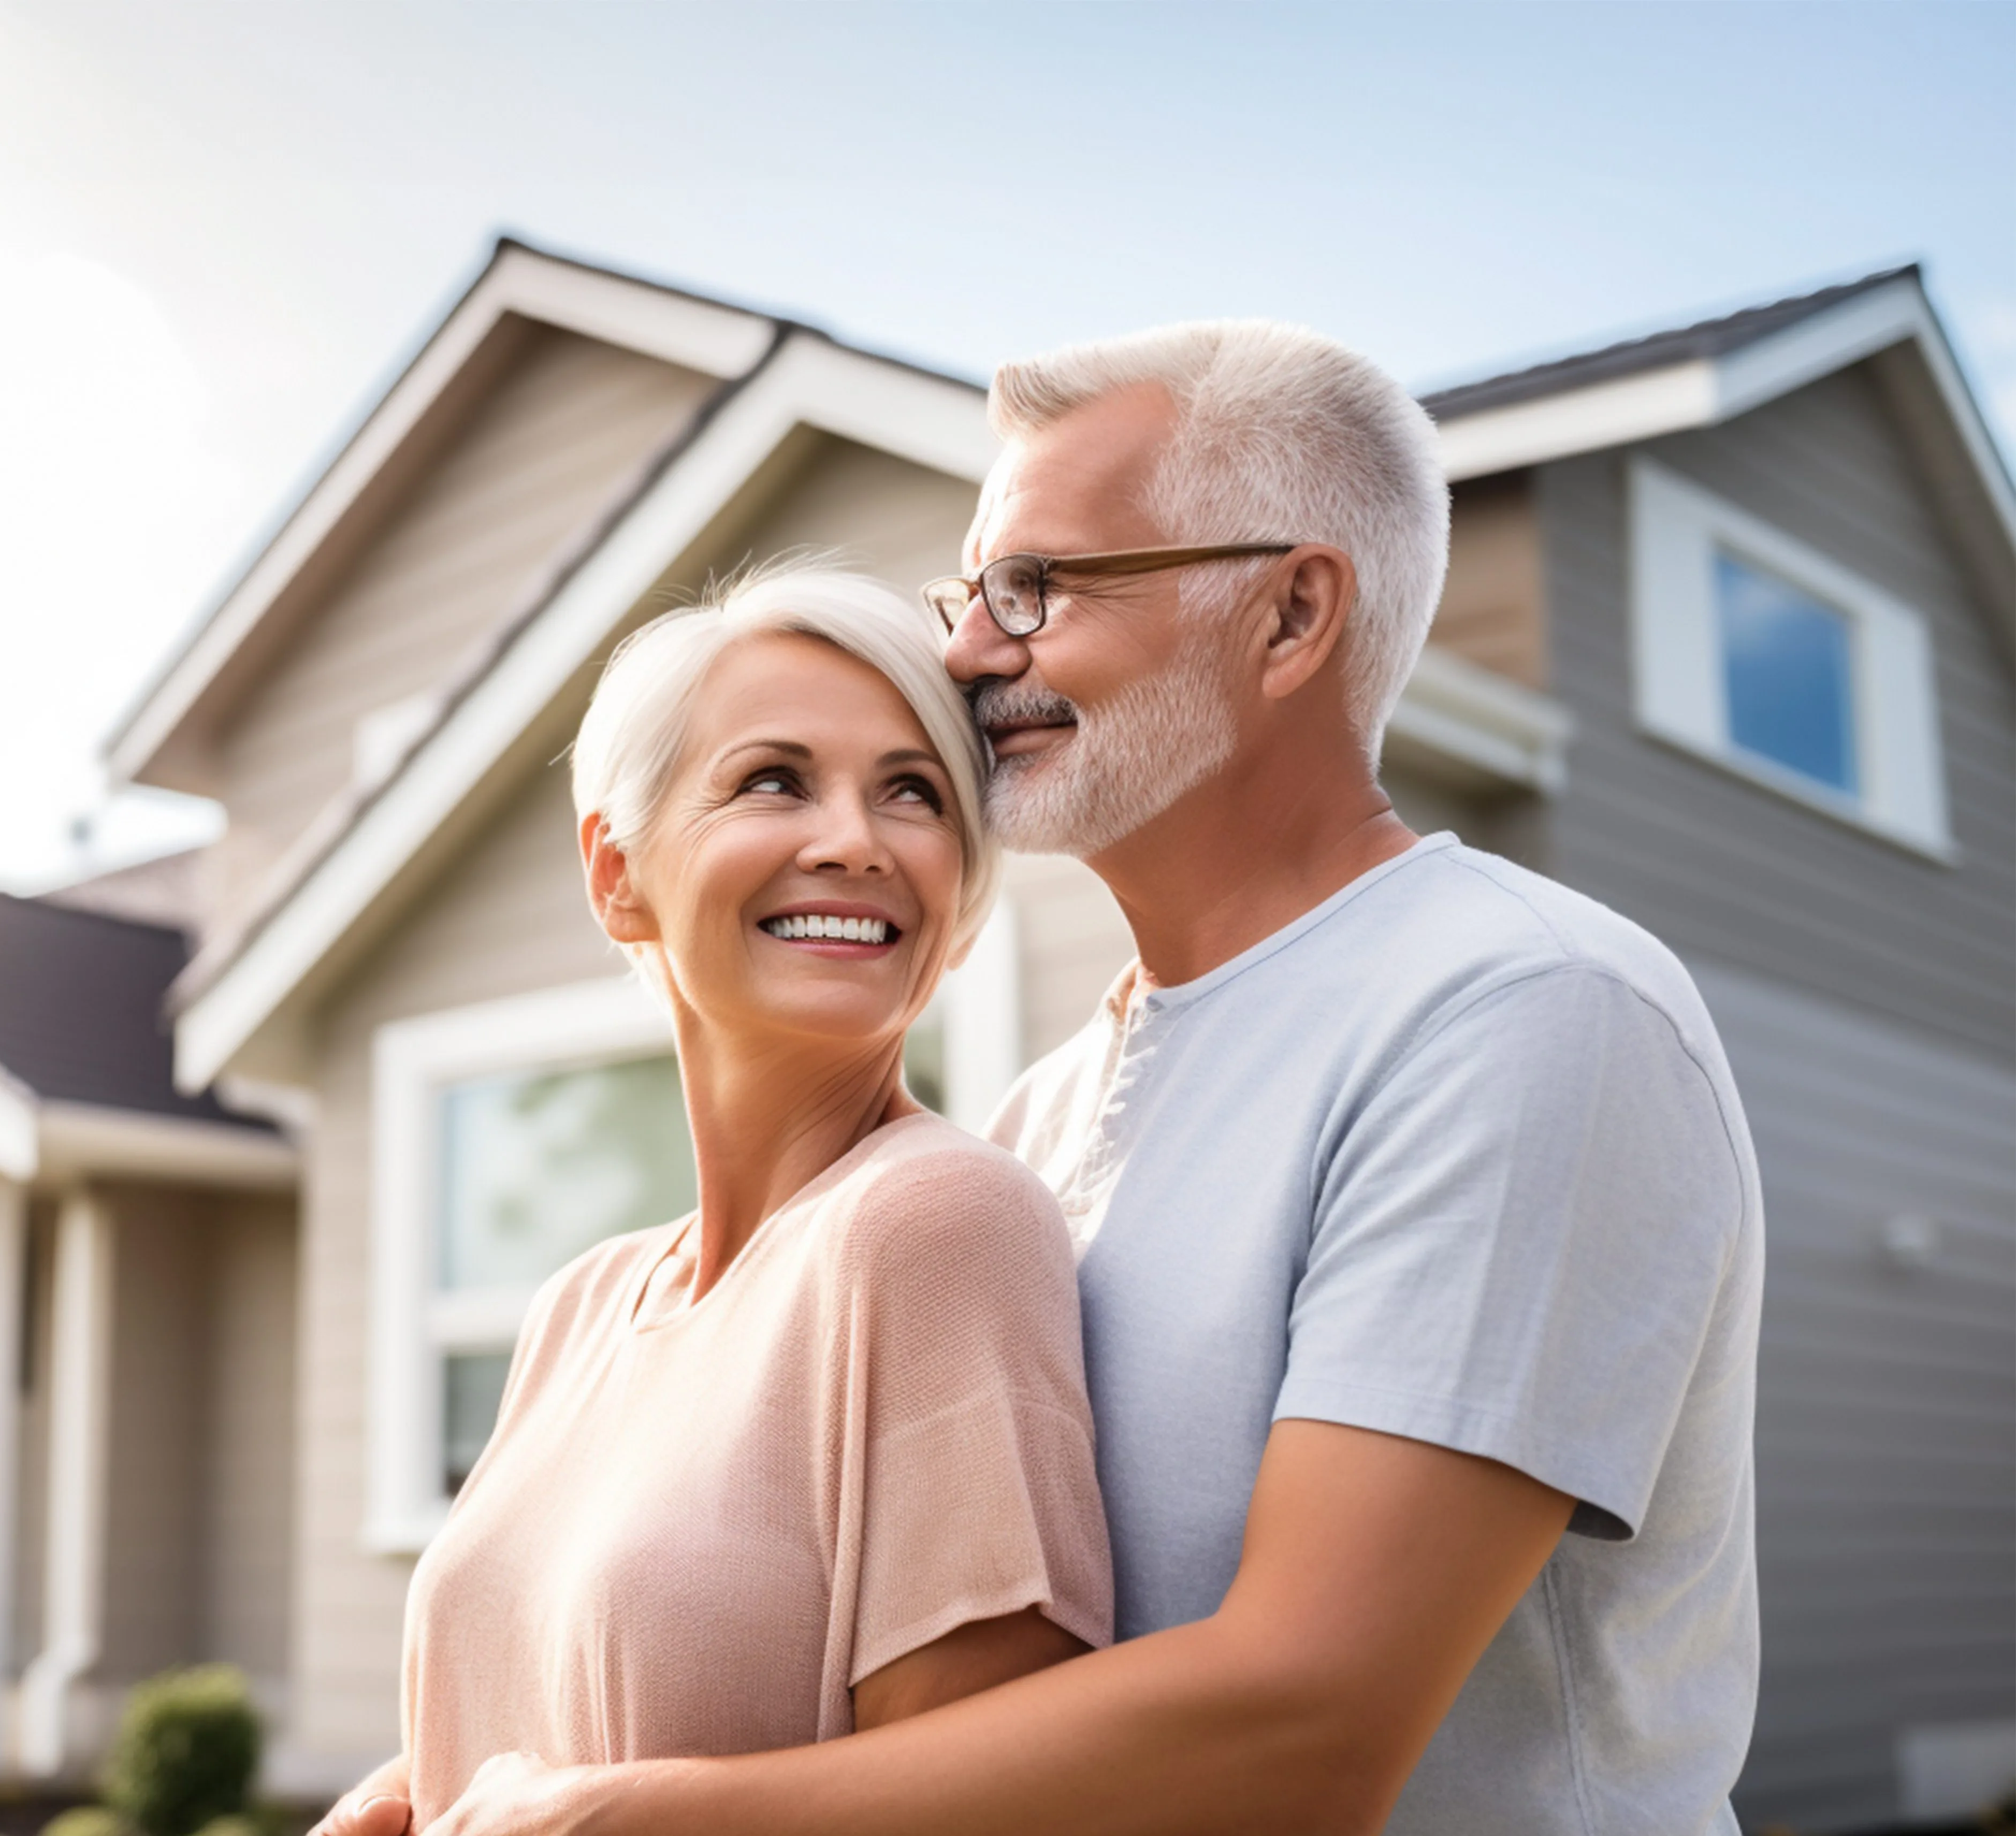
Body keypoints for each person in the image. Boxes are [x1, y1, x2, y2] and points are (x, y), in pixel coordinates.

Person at [359, 321, 1765, 1836]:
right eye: (972, 594)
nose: (968, 653)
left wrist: (619, 1820)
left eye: (1037, 587)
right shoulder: (1041, 1113)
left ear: (1290, 615)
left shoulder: (1518, 1010)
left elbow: (1309, 1723)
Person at [366, 568, 1116, 1825]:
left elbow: (995, 1798)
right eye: (774, 778)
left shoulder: (933, 1227)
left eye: (912, 793)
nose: (853, 840)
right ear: (616, 869)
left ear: (964, 900)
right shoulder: (580, 1306)